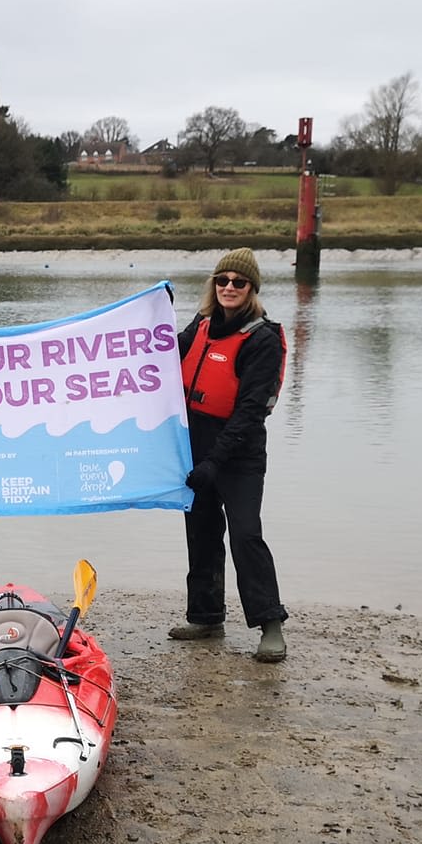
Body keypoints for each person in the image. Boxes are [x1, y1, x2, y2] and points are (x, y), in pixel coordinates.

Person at [169, 247, 290, 662]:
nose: (229, 288)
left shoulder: (263, 338)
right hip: (195, 445)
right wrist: (148, 317)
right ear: (213, 285)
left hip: (239, 454)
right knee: (201, 533)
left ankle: (270, 623)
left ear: (252, 289)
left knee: (244, 533)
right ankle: (205, 617)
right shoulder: (201, 324)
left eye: (239, 282)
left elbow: (250, 412)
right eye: (222, 281)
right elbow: (160, 354)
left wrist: (215, 462)